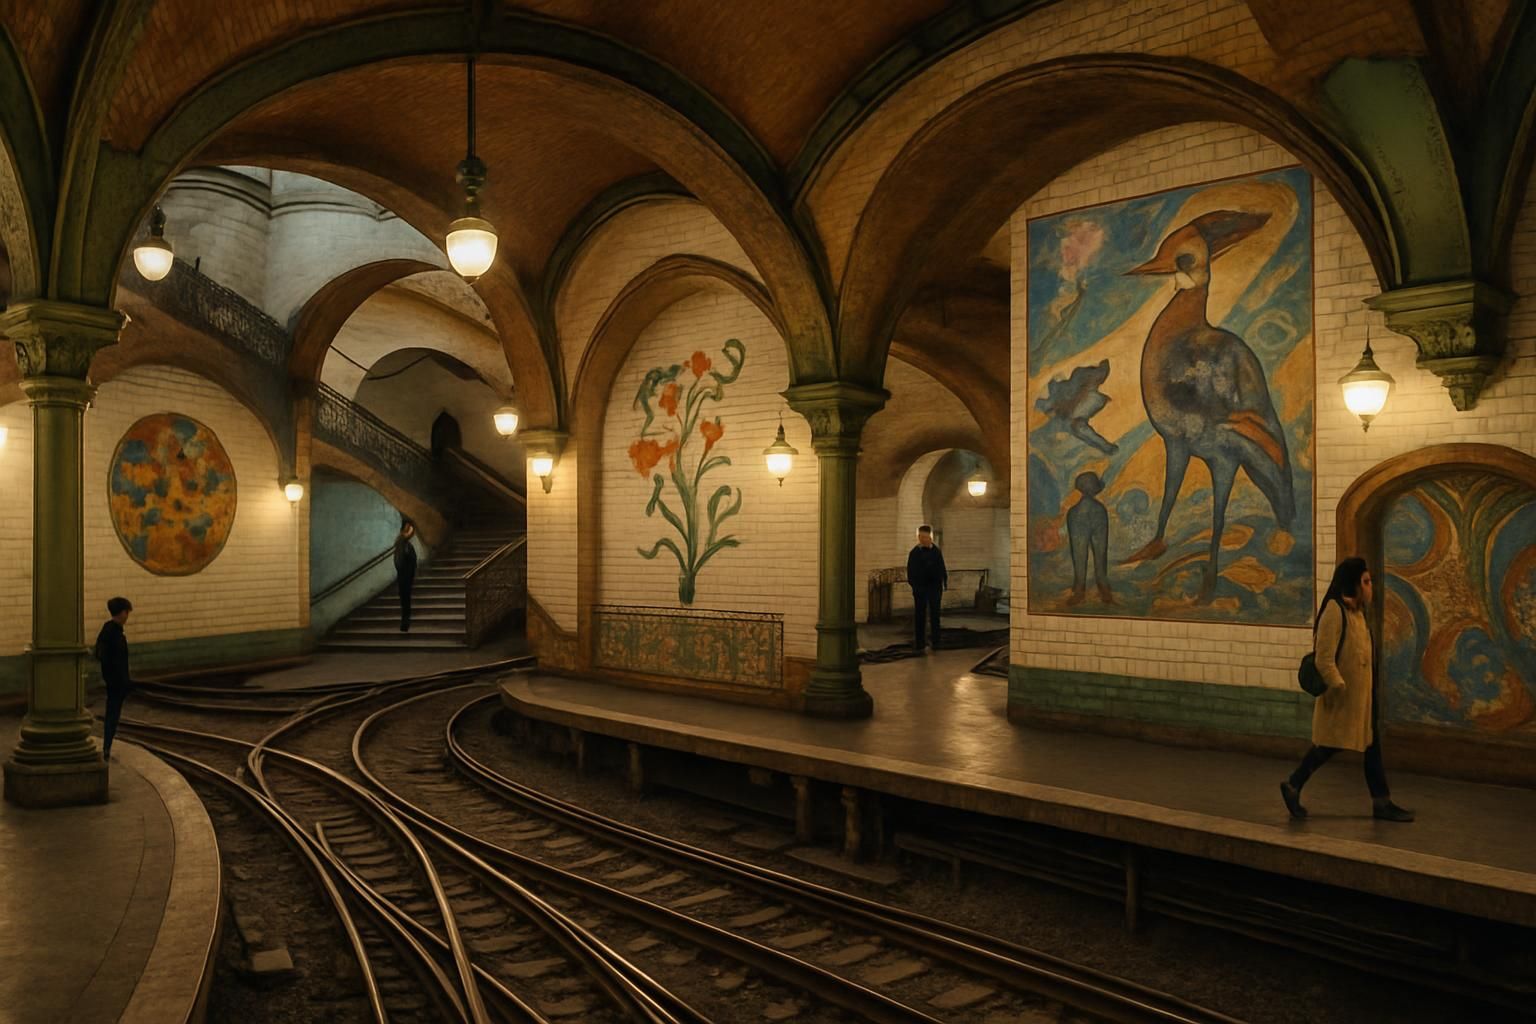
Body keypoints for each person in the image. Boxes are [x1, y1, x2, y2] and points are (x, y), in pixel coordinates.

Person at [1280, 558, 1414, 822]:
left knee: (1369, 745)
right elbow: (1323, 658)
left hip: (1361, 697)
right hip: (1342, 698)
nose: (1370, 587)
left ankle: (1381, 802)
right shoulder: (1334, 610)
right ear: (1353, 583)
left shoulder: (1357, 612)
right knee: (1327, 747)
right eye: (1365, 581)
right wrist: (1339, 686)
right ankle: (1293, 784)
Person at [94, 597, 134, 761]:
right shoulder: (113, 632)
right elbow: (113, 658)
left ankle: (107, 748)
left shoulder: (110, 630)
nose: (128, 616)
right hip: (116, 682)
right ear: (122, 612)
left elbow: (100, 653)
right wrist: (120, 679)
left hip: (114, 681)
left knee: (113, 713)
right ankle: (106, 749)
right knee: (112, 714)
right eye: (127, 612)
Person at [906, 525, 948, 653]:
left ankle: (936, 642)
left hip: (934, 588)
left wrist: (943, 582)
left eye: (926, 537)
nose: (924, 540)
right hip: (921, 589)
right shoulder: (915, 553)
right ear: (919, 537)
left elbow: (941, 567)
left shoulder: (936, 551)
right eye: (922, 537)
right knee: (920, 615)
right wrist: (916, 586)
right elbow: (911, 572)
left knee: (935, 615)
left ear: (930, 537)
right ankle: (920, 643)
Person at [394, 519, 418, 632]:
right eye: (407, 529)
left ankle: (405, 623)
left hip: (404, 577)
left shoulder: (402, 545)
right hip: (405, 578)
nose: (410, 532)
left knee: (405, 601)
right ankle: (405, 623)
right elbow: (407, 562)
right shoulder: (403, 545)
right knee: (405, 601)